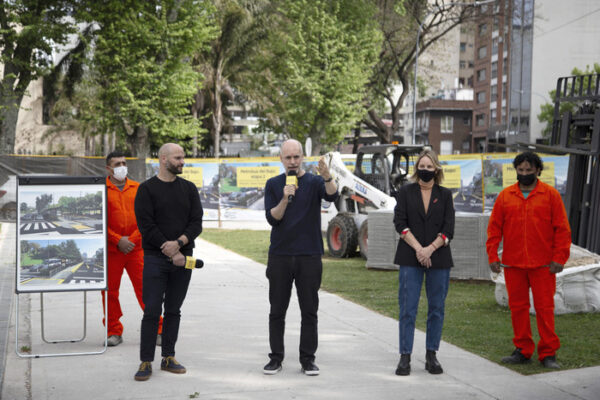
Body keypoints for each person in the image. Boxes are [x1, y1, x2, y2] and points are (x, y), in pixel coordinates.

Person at [486, 151, 571, 369]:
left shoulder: (551, 195)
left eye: (528, 170)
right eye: (520, 170)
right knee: (518, 308)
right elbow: (494, 230)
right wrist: (493, 256)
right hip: (513, 264)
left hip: (543, 265)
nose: (524, 174)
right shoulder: (505, 196)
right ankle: (522, 350)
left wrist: (559, 258)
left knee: (544, 309)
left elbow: (562, 230)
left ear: (537, 170)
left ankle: (548, 353)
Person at [262, 139, 338, 376]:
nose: (293, 162)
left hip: (309, 255)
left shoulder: (315, 182)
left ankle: (308, 359)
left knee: (309, 310)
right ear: (281, 159)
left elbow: (332, 196)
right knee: (277, 310)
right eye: (288, 158)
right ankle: (276, 358)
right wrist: (285, 198)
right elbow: (273, 218)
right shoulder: (274, 184)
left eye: (296, 157)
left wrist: (327, 176)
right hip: (280, 256)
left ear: (302, 157)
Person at [132, 143, 203, 381]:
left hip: (185, 259)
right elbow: (146, 226)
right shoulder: (146, 190)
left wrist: (180, 244)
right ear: (163, 159)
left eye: (183, 157)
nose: (183, 161)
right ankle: (145, 361)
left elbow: (196, 223)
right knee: (152, 310)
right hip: (154, 259)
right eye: (178, 157)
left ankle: (168, 357)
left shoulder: (189, 189)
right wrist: (171, 251)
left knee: (174, 310)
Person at [393, 149, 455, 376]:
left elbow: (449, 229)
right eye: (422, 166)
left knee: (436, 308)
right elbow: (399, 222)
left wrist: (430, 249)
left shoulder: (446, 195)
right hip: (410, 256)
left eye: (430, 167)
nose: (425, 170)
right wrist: (420, 249)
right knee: (408, 309)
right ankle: (405, 357)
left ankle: (431, 355)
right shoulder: (405, 192)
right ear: (416, 168)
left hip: (438, 257)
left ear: (436, 169)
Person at [103, 151, 163, 347]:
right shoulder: (101, 190)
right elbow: (98, 222)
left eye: (123, 162)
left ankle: (158, 329)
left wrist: (133, 240)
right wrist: (117, 240)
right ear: (108, 168)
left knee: (147, 290)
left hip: (137, 250)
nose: (121, 166)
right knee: (109, 292)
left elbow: (148, 218)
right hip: (112, 251)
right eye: (117, 163)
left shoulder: (138, 189)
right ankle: (113, 331)